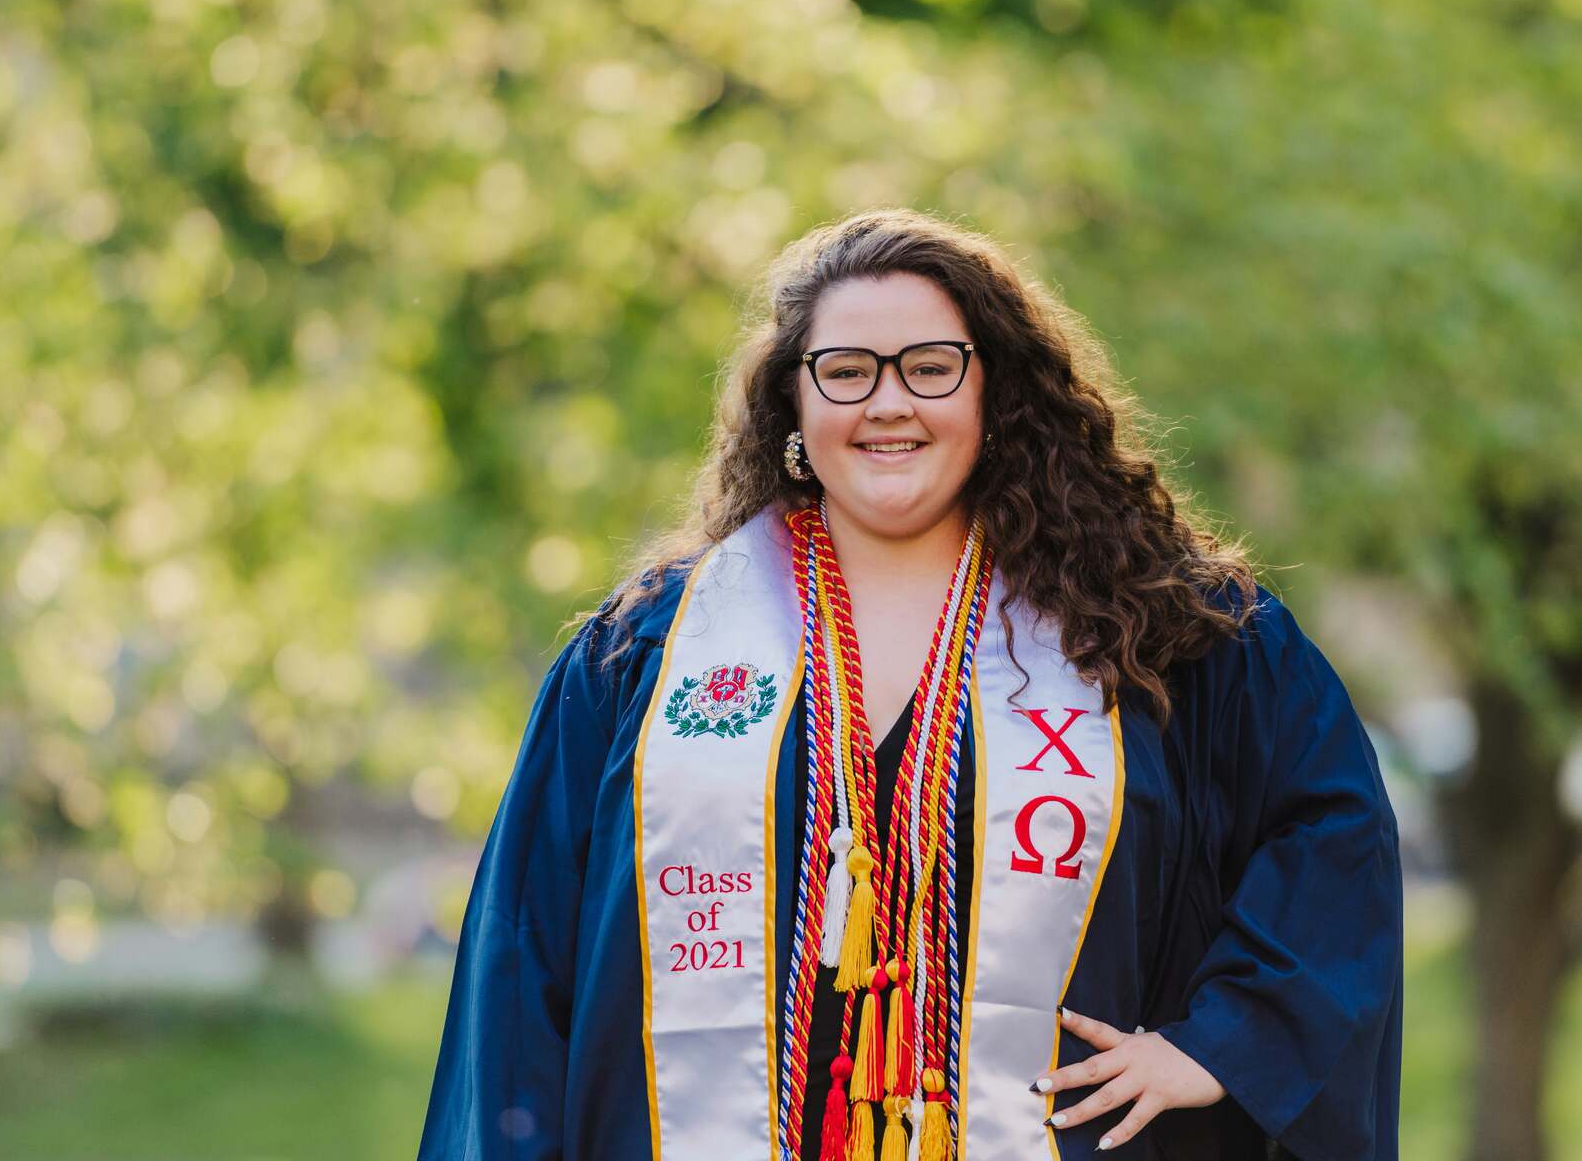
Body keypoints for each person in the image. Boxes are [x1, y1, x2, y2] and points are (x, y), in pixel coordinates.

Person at [416, 208, 1403, 1161]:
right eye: (845, 372)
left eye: (931, 368)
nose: (889, 403)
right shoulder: (650, 655)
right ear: (793, 404)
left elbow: (1329, 830)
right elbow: (525, 956)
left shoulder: (1153, 632)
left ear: (996, 393)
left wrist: (1226, 1041)